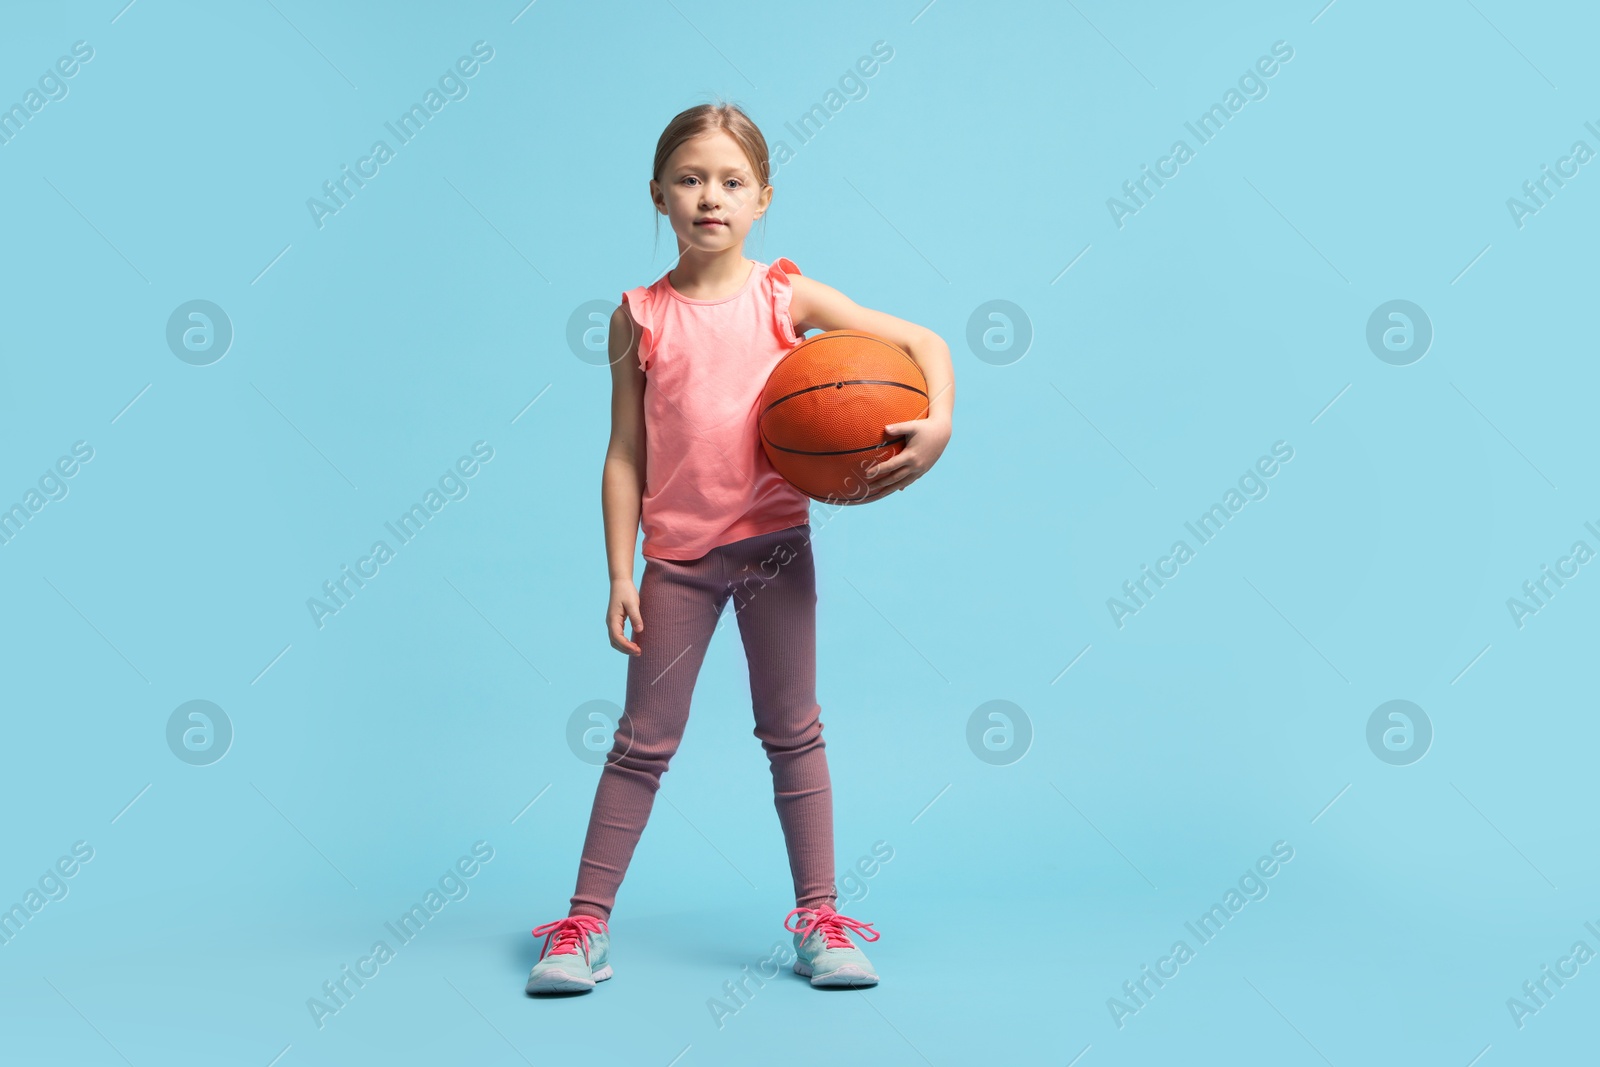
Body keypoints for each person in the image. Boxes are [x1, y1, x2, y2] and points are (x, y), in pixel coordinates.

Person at [526, 100, 954, 995]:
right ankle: (582, 927)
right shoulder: (637, 318)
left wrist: (938, 423)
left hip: (775, 552)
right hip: (676, 560)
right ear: (658, 196)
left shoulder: (783, 296)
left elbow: (922, 340)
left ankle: (822, 919)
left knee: (794, 731)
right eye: (690, 179)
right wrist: (618, 570)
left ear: (762, 198)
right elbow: (623, 453)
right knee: (642, 743)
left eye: (730, 181)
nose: (709, 196)